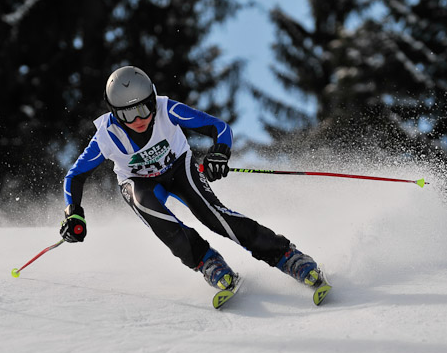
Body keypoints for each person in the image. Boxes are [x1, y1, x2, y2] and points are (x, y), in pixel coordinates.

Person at [60, 66, 330, 304]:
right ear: (114, 114)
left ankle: (287, 256)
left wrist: (220, 153)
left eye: (144, 108)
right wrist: (73, 212)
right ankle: (207, 261)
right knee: (153, 213)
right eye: (127, 115)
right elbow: (74, 176)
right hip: (138, 181)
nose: (138, 120)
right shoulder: (106, 136)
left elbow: (219, 128)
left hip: (178, 167)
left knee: (213, 216)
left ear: (153, 99)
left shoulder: (167, 109)